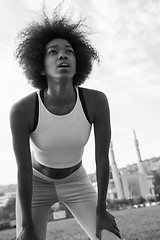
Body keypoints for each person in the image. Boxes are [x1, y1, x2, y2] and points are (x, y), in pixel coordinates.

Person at [10, 11, 121, 240]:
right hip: (35, 184)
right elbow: (22, 170)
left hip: (77, 181)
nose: (63, 55)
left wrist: (101, 210)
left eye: (69, 51)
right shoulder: (22, 110)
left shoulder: (96, 102)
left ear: (77, 62)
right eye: (54, 52)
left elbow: (102, 159)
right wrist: (27, 226)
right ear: (40, 67)